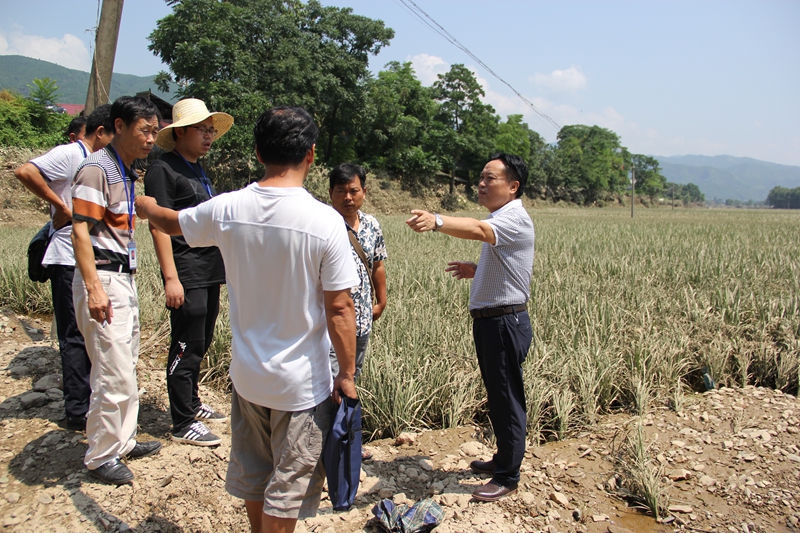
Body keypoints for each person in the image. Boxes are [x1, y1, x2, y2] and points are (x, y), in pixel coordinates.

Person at [135, 106, 359, 533]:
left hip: (248, 378)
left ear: (258, 152)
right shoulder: (325, 222)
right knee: (287, 487)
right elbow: (340, 308)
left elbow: (173, 222)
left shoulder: (228, 208)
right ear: (311, 154)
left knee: (256, 475)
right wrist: (346, 374)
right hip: (300, 385)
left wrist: (145, 205)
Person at [406, 153, 534, 503]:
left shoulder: (513, 217)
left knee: (507, 398)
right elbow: (512, 267)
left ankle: (508, 476)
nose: (481, 183)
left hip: (504, 323)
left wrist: (437, 220)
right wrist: (477, 270)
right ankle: (502, 459)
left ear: (513, 186)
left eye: (490, 178)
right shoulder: (502, 217)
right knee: (498, 394)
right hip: (494, 322)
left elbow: (477, 229)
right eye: (481, 177)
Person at [71, 96, 164, 485]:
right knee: (113, 372)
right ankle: (101, 455)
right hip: (104, 277)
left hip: (122, 277)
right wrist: (94, 288)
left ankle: (122, 441)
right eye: (145, 130)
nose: (151, 139)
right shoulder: (98, 169)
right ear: (120, 126)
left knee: (125, 364)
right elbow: (80, 229)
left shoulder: (124, 171)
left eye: (155, 132)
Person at [14, 105, 114, 431]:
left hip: (87, 257)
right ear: (101, 132)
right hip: (67, 256)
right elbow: (25, 172)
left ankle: (90, 402)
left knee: (89, 333)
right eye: (115, 133)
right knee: (74, 335)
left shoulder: (97, 161)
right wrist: (61, 207)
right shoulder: (72, 153)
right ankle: (77, 410)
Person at [144, 98, 233, 447]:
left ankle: (192, 402)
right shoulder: (163, 169)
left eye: (211, 131)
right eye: (202, 130)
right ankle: (182, 422)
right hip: (186, 270)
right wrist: (171, 278)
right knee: (186, 343)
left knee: (202, 340)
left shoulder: (197, 169)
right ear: (180, 132)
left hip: (209, 270)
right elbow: (157, 224)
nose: (209, 136)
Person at [327, 163, 387, 462]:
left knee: (351, 376)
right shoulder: (324, 224)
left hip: (362, 319)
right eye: (341, 191)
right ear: (331, 193)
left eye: (353, 190)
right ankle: (328, 444)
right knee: (329, 380)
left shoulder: (372, 224)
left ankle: (346, 441)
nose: (348, 197)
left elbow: (377, 264)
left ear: (364, 191)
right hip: (332, 322)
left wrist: (381, 300)